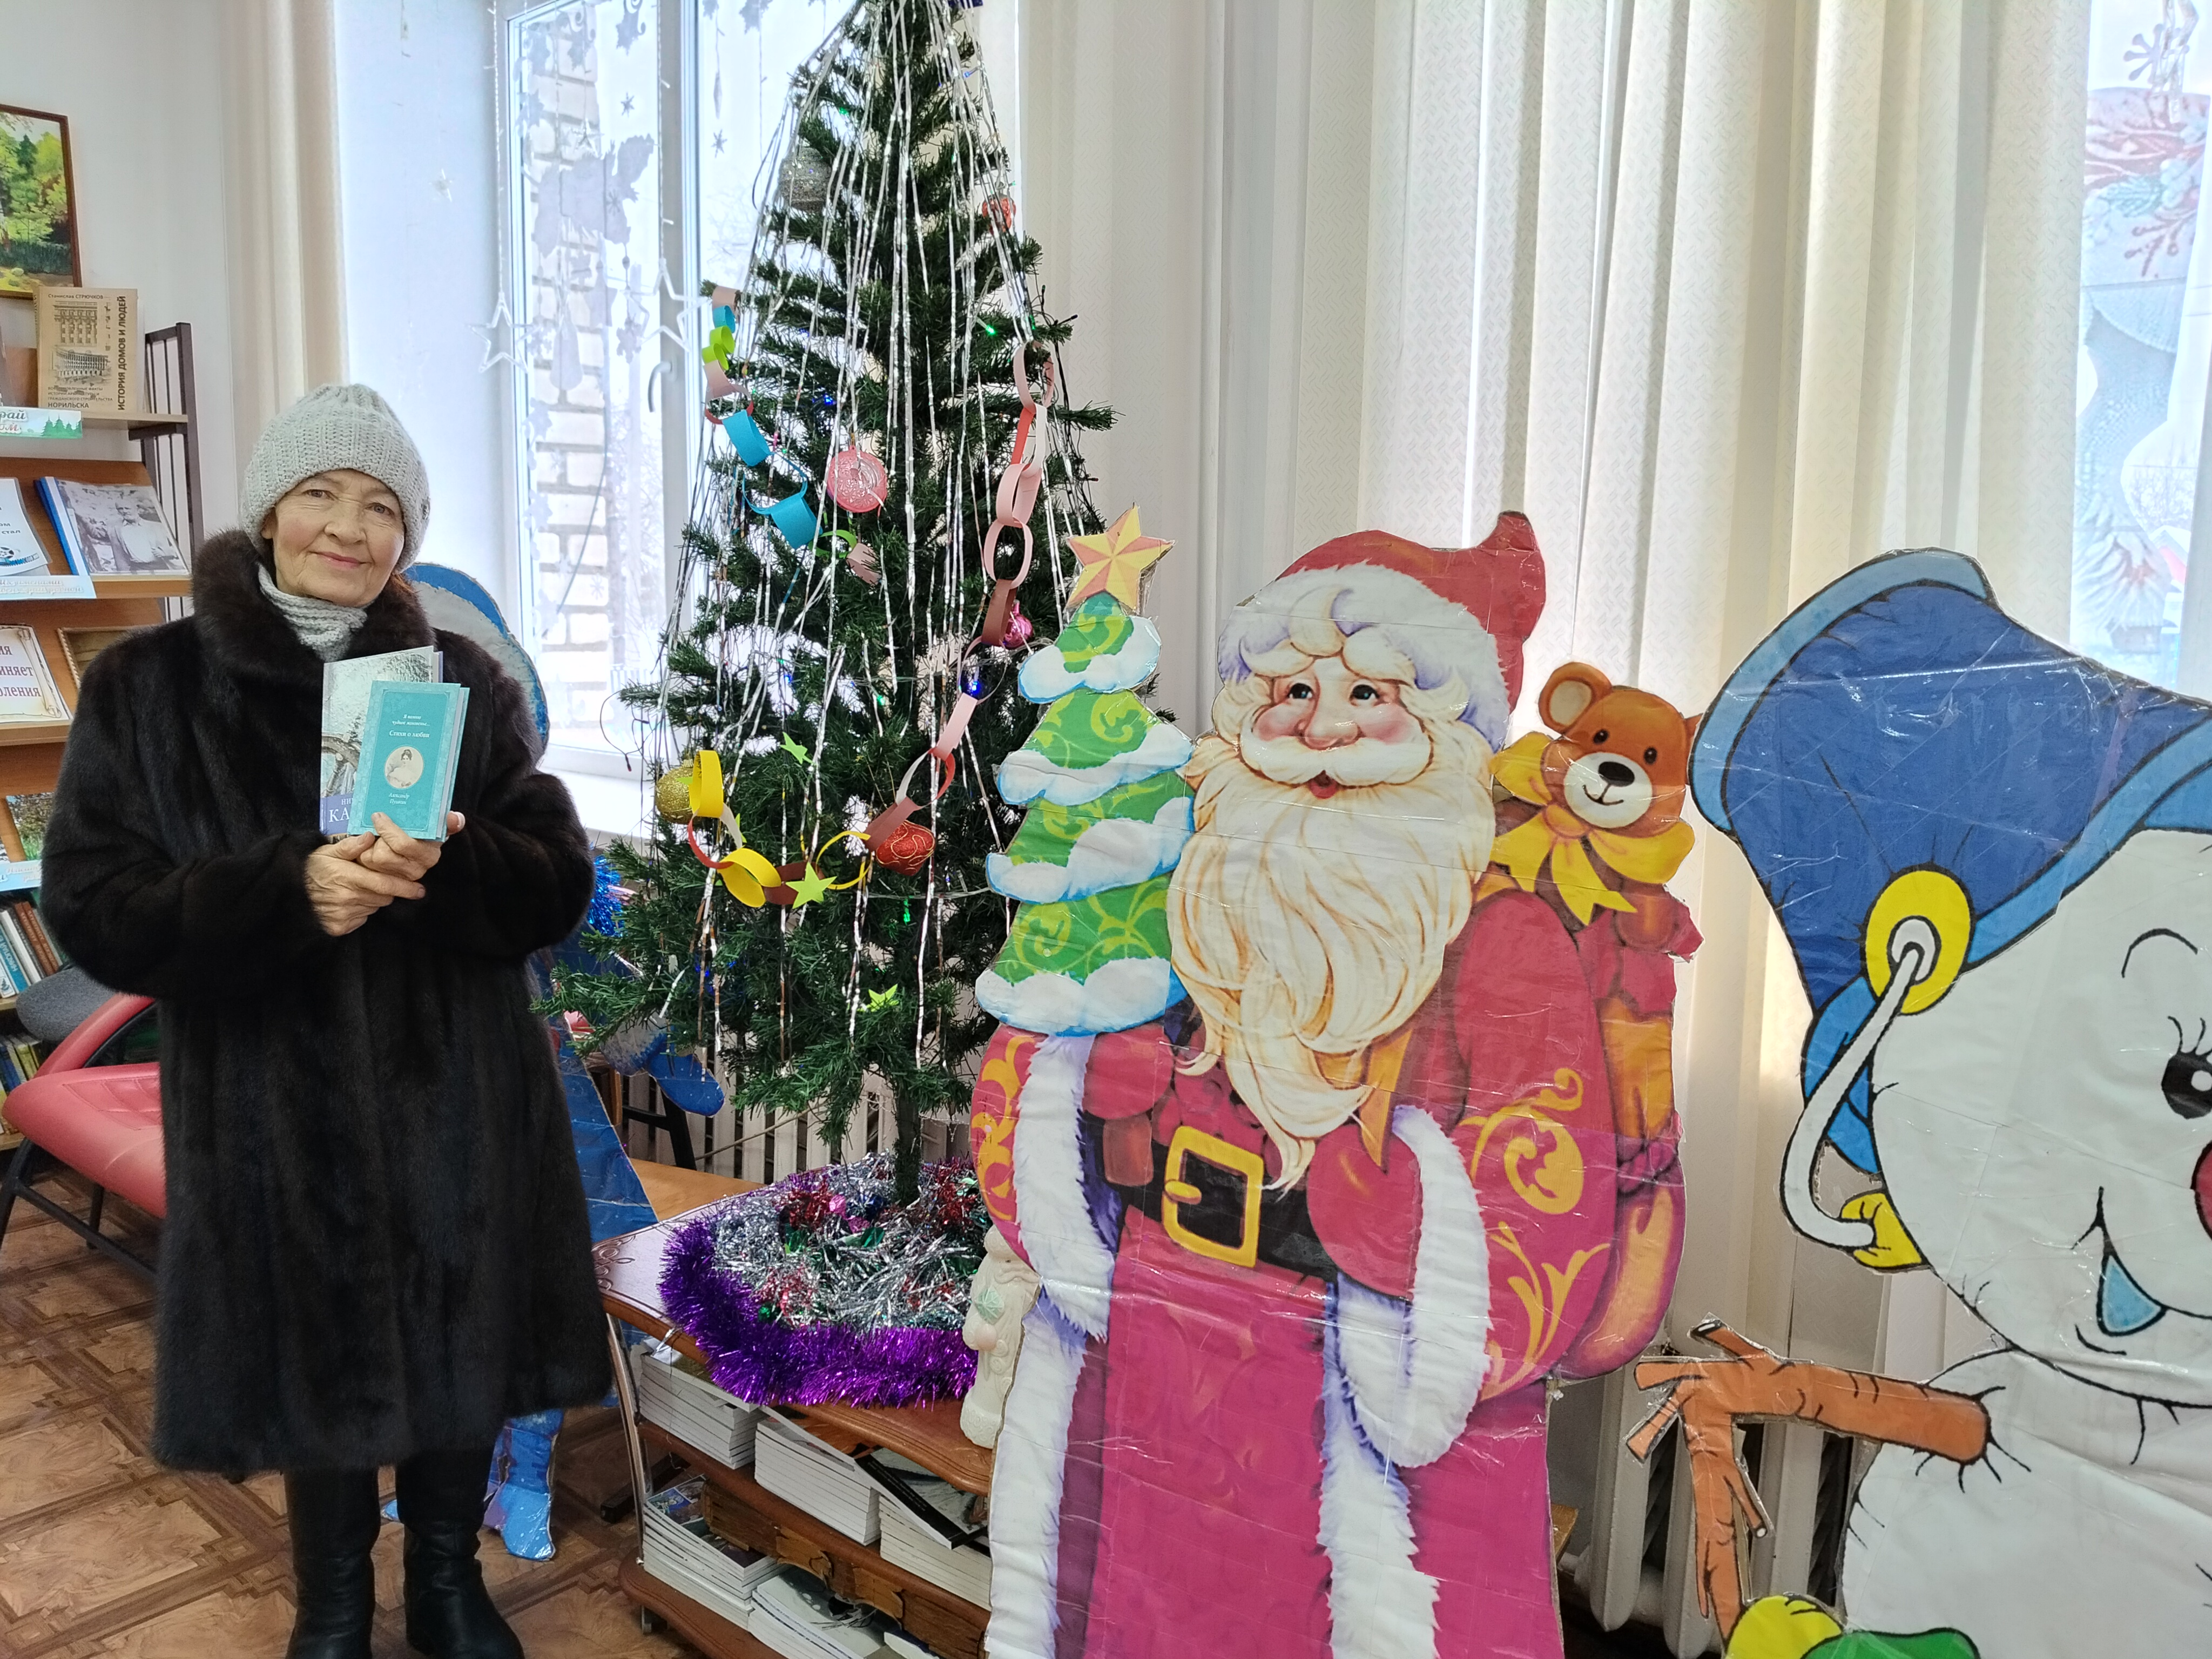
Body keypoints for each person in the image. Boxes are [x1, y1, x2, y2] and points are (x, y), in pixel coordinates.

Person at [972, 518, 1688, 1659]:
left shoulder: (1504, 934)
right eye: (1294, 690)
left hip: (1367, 1396)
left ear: (1445, 733)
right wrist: (1078, 1087)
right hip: (1162, 1357)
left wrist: (1404, 1215)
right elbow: (1038, 1055)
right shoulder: (1186, 868)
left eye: (1369, 695)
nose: (1322, 727)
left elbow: (1550, 1201)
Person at [42, 383, 610, 1659]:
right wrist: (284, 892)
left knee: (467, 1332)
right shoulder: (147, 687)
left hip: (461, 1093)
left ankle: (450, 1585)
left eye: (381, 506)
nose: (350, 529)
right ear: (268, 510)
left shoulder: (458, 681)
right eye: (321, 494)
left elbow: (555, 878)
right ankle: (336, 1606)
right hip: (271, 1107)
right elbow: (95, 907)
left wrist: (448, 864)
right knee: (315, 1349)